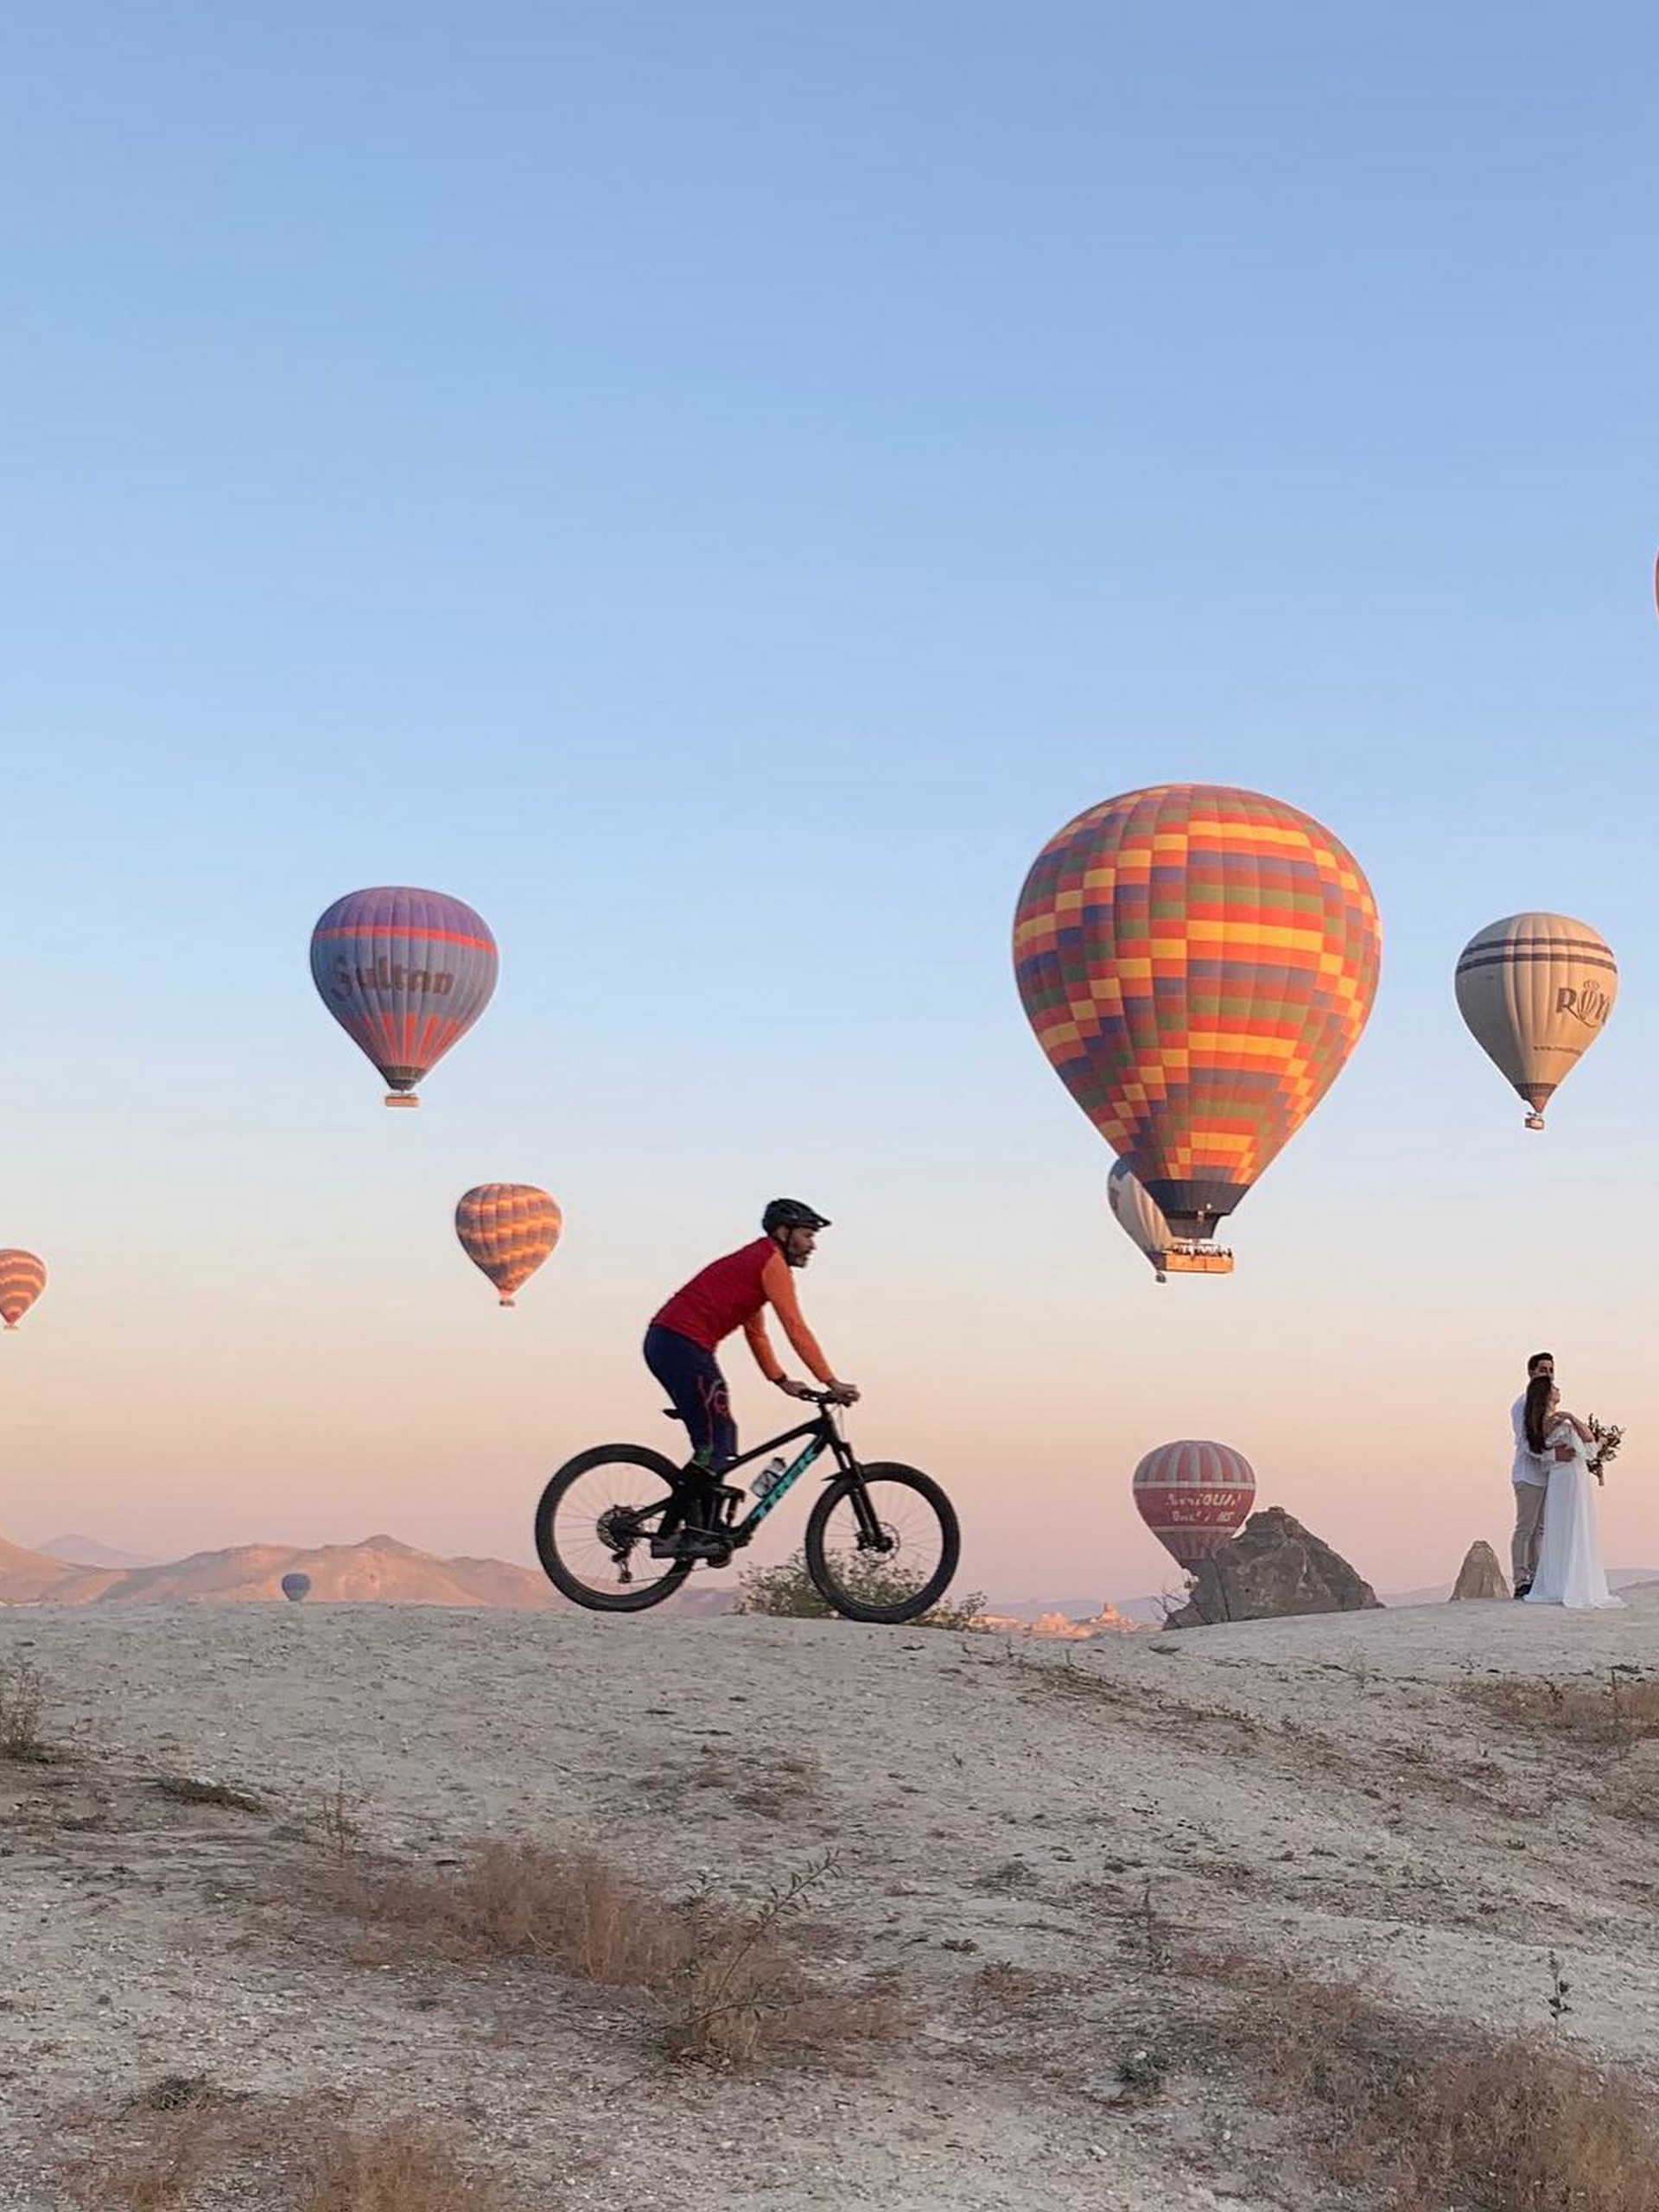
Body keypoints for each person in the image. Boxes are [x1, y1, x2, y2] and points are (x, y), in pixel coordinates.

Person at [644, 1201, 860, 1557]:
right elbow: (795, 1328)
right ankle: (671, 1534)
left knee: (718, 1440)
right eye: (807, 1235)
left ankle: (704, 1531)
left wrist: (781, 1379)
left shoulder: (755, 1264)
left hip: (672, 1343)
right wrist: (831, 1381)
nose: (812, 1245)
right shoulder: (770, 1264)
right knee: (718, 1439)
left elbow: (756, 1332)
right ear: (783, 1233)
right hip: (680, 1344)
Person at [1523, 1377, 1622, 1611]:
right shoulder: (1558, 1421)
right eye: (1554, 1388)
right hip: (1570, 1478)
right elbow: (1588, 1444)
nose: (1558, 1389)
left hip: (1562, 1478)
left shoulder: (1541, 1422)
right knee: (1576, 1526)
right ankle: (1576, 1584)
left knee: (1562, 1528)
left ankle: (1562, 1580)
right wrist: (1572, 1417)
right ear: (1547, 1395)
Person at [1510, 1351, 1574, 1599]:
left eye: (1551, 1370)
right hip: (1528, 1475)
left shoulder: (1548, 1403)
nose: (1547, 1374)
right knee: (1525, 1528)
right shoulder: (1521, 1405)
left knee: (1541, 1529)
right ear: (1531, 1373)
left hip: (1549, 1474)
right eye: (1542, 1369)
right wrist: (1552, 1456)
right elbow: (1526, 1443)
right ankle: (1521, 1579)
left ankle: (1538, 1576)